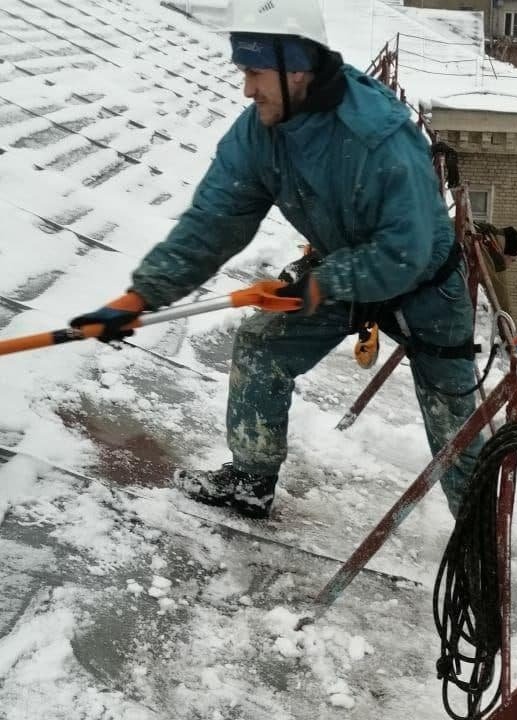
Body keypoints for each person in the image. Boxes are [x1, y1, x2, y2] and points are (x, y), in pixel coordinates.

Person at [68, 0, 484, 519]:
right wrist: (138, 297)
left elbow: (404, 253)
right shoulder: (261, 133)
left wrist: (316, 285)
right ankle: (250, 479)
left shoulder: (378, 137)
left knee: (457, 430)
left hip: (426, 288)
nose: (247, 89)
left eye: (255, 72)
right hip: (341, 270)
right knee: (262, 345)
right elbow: (211, 224)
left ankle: (480, 544)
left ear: (297, 68)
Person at [474, 222, 517, 318]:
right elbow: (501, 299)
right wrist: (509, 325)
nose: (509, 266)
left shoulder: (483, 231)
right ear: (507, 252)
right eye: (512, 260)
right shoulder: (496, 258)